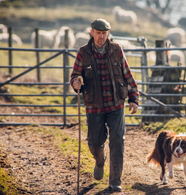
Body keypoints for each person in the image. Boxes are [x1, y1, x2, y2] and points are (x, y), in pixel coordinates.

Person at [70, 18, 139, 192]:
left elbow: (128, 76)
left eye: (104, 33)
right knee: (94, 143)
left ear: (108, 33)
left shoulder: (116, 50)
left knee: (117, 141)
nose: (101, 37)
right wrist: (75, 83)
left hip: (116, 104)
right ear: (91, 32)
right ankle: (100, 161)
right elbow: (74, 76)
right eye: (98, 33)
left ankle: (115, 181)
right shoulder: (83, 53)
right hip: (94, 106)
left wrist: (133, 98)